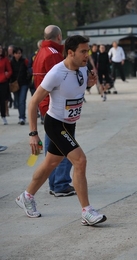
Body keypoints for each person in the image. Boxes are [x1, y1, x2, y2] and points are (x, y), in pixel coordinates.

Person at [16, 35, 107, 226]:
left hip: (70, 124)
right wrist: (33, 134)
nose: (86, 55)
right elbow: (33, 102)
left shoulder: (83, 68)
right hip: (55, 124)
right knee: (80, 161)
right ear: (70, 52)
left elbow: (77, 88)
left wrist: (90, 83)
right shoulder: (56, 73)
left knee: (50, 163)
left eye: (87, 50)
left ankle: (26, 196)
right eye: (83, 51)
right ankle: (87, 211)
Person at [33, 25, 75, 197]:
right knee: (64, 145)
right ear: (59, 37)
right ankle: (60, 183)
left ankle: (54, 182)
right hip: (55, 106)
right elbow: (61, 80)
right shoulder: (53, 54)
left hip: (45, 105)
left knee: (52, 145)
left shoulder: (40, 53)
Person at [10, 47, 30, 125]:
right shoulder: (11, 62)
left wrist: (28, 79)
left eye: (20, 53)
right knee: (17, 101)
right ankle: (20, 116)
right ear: (14, 54)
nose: (18, 55)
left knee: (22, 101)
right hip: (15, 84)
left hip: (24, 83)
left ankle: (22, 117)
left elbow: (29, 70)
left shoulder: (24, 61)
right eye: (17, 53)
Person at [0, 44, 12, 125]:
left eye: (0, 48)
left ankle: (3, 116)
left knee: (2, 100)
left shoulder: (5, 60)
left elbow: (10, 70)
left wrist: (5, 76)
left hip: (3, 82)